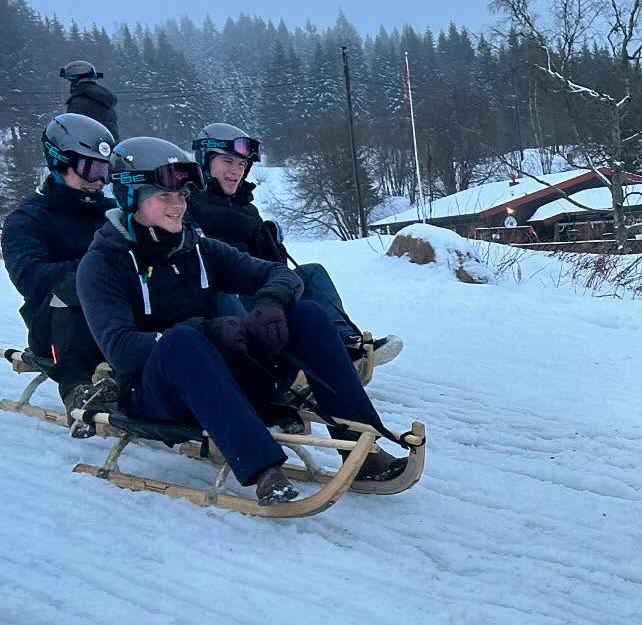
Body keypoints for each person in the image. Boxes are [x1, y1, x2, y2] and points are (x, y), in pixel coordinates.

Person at [76, 137, 409, 507]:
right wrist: (207, 330)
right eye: (165, 196)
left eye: (183, 195)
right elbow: (122, 351)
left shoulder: (197, 247)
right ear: (130, 197)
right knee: (181, 343)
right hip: (157, 393)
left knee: (305, 314)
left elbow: (282, 276)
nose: (179, 206)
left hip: (224, 377)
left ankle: (360, 445)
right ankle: (264, 468)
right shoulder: (102, 265)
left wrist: (269, 303)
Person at [185, 123, 401, 366]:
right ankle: (264, 364)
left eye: (241, 164)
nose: (236, 171)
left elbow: (271, 264)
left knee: (311, 274)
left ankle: (344, 341)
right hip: (221, 298)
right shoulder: (186, 204)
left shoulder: (247, 209)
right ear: (205, 161)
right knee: (226, 294)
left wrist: (269, 243)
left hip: (257, 290)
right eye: (227, 161)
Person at [2, 113, 117, 428]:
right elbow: (31, 279)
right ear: (60, 162)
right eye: (91, 168)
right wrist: (98, 268)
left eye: (105, 170)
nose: (100, 180)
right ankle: (77, 391)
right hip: (54, 326)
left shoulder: (108, 214)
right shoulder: (27, 220)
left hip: (112, 320)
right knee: (70, 287)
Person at [61, 60, 120, 138]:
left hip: (88, 146)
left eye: (70, 81)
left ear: (75, 82)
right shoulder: (102, 98)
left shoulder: (81, 100)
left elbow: (71, 126)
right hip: (107, 145)